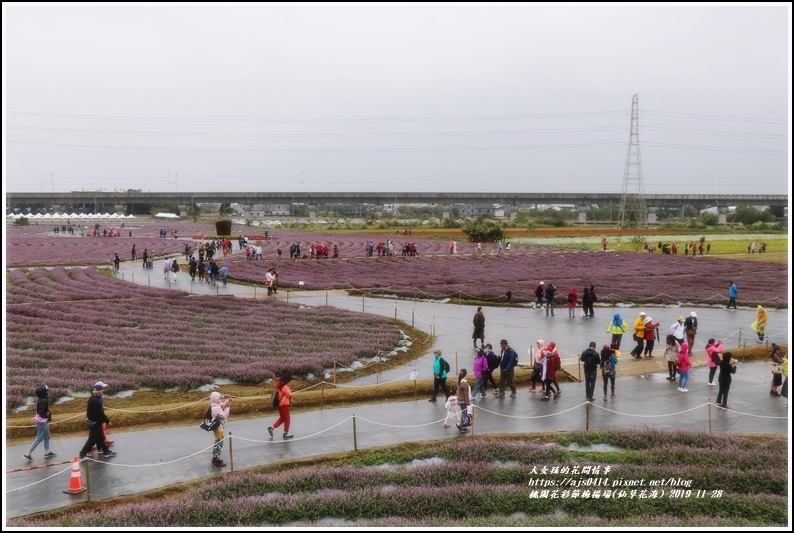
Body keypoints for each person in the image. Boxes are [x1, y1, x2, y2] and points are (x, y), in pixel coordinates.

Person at [79, 382, 116, 459]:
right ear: (98, 392)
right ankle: (82, 453)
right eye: (102, 390)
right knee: (91, 440)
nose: (103, 392)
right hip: (95, 423)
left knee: (101, 438)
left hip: (95, 422)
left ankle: (106, 451)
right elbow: (100, 414)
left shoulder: (92, 398)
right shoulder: (95, 401)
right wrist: (108, 421)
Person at [24, 384, 57, 461]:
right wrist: (47, 416)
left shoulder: (38, 398)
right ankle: (28, 453)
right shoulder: (44, 401)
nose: (47, 392)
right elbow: (42, 412)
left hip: (41, 420)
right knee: (39, 438)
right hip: (43, 421)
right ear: (43, 392)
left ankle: (47, 452)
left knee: (47, 436)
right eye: (46, 391)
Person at [207, 391, 232, 466]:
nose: (220, 400)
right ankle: (216, 459)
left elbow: (223, 404)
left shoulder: (216, 404)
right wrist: (228, 408)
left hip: (220, 428)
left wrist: (228, 401)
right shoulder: (215, 408)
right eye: (219, 398)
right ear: (215, 399)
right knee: (218, 443)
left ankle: (216, 458)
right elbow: (224, 415)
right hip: (218, 428)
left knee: (219, 443)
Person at [268, 374, 293, 439]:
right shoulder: (284, 386)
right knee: (287, 419)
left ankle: (272, 428)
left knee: (282, 418)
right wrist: (290, 392)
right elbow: (288, 394)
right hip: (284, 404)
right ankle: (286, 433)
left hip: (279, 404)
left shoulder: (279, 384)